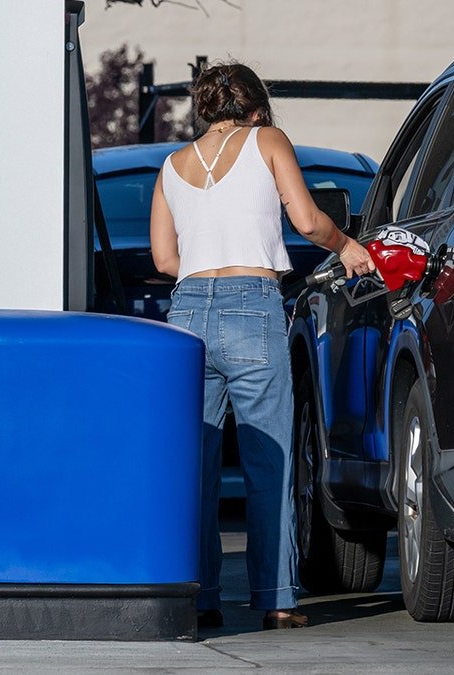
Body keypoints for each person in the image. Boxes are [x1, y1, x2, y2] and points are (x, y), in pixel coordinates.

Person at [150, 62, 375, 629]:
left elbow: (164, 261)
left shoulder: (169, 167)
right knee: (268, 458)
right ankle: (275, 598)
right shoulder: (267, 139)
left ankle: (199, 599)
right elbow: (306, 220)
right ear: (255, 109)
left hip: (188, 311)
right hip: (253, 305)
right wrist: (347, 244)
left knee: (195, 465)